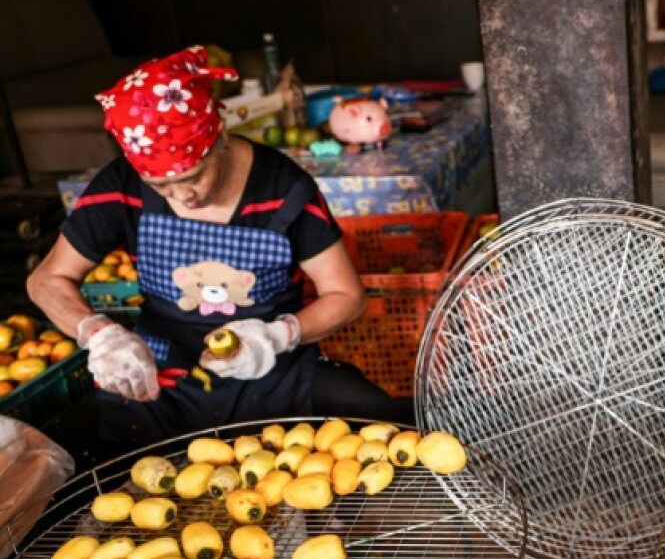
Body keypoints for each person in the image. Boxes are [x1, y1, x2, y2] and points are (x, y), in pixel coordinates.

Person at [27, 47, 410, 447]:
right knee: (67, 444)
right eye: (161, 187)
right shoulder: (122, 184)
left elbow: (348, 295)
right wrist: (100, 334)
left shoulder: (284, 187)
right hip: (163, 376)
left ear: (219, 136)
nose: (182, 196)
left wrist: (280, 335)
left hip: (272, 370)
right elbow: (47, 280)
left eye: (193, 176)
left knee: (377, 416)